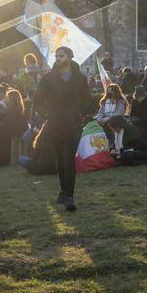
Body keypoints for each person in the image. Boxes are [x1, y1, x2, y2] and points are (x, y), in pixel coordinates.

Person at [33, 46, 93, 211]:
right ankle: (63, 190)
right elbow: (37, 100)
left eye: (61, 56)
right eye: (56, 56)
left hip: (73, 125)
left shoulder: (80, 78)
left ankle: (69, 196)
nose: (58, 58)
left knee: (69, 159)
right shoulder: (48, 79)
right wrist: (46, 114)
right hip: (54, 124)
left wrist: (80, 114)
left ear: (69, 57)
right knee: (59, 159)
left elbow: (88, 100)